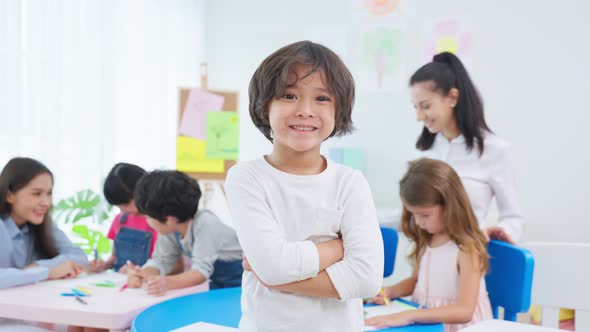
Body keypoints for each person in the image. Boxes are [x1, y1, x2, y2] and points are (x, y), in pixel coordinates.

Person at [225, 40, 383, 331]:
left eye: (322, 98)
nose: (305, 110)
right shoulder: (245, 178)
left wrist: (278, 276)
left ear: (339, 110)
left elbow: (367, 278)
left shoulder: (350, 182)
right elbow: (272, 266)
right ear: (264, 106)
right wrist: (338, 249)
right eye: (289, 95)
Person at [408, 52, 525, 244]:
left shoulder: (494, 150)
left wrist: (501, 232)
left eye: (426, 106)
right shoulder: (423, 152)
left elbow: (514, 217)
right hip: (429, 256)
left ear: (453, 97)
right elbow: (411, 213)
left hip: (469, 257)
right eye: (415, 107)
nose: (419, 117)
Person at [365, 158, 493, 332]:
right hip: (427, 322)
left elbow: (464, 311)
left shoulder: (467, 248)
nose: (417, 222)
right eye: (413, 215)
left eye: (424, 215)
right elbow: (416, 281)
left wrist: (407, 316)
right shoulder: (429, 238)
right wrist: (390, 292)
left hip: (460, 327)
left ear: (450, 207)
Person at [0, 157, 88, 331]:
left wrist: (37, 266)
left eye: (49, 193)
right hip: (8, 318)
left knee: (87, 325)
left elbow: (79, 257)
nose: (46, 202)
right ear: (10, 195)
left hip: (24, 313)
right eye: (36, 193)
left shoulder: (39, 224)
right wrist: (46, 272)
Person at [126, 170, 243, 295]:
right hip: (217, 282)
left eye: (148, 216)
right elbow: (161, 260)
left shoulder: (205, 223)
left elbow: (200, 272)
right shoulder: (170, 229)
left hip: (240, 279)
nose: (147, 220)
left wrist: (166, 283)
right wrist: (144, 274)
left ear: (168, 219)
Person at [88, 162, 157, 273]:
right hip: (119, 283)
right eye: (118, 207)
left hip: (144, 282)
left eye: (125, 205)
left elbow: (163, 264)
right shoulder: (120, 220)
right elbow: (115, 258)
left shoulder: (158, 223)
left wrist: (137, 271)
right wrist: (104, 265)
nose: (122, 211)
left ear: (141, 192)